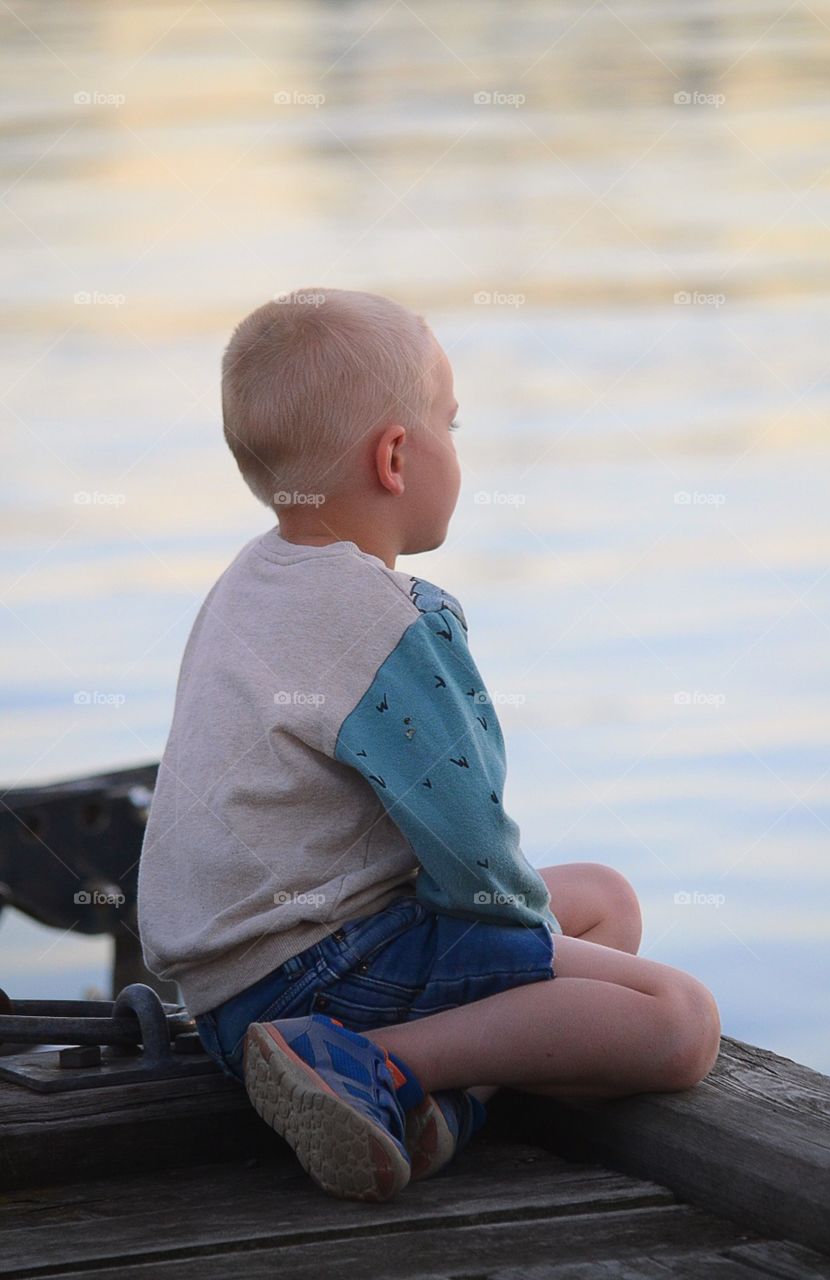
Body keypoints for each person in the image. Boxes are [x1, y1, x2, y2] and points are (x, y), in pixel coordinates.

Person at [136, 287, 721, 1205]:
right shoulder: (387, 623)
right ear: (398, 457)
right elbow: (470, 845)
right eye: (452, 423)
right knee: (679, 1021)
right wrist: (545, 959)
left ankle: (426, 1103)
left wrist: (548, 950)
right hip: (320, 978)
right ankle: (366, 1064)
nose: (460, 446)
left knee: (603, 902)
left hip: (224, 999)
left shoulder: (249, 581)